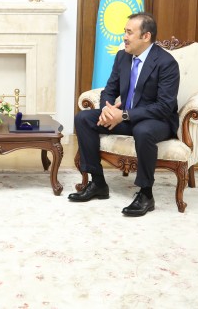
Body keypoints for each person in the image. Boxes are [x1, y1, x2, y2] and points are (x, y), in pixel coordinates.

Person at [69, 12, 180, 216]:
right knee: (83, 118)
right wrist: (107, 109)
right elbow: (109, 90)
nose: (124, 37)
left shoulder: (166, 63)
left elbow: (164, 106)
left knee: (143, 130)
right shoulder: (123, 56)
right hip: (125, 117)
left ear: (146, 36)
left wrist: (125, 115)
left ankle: (146, 194)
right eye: (124, 32)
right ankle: (98, 183)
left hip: (157, 120)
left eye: (129, 33)